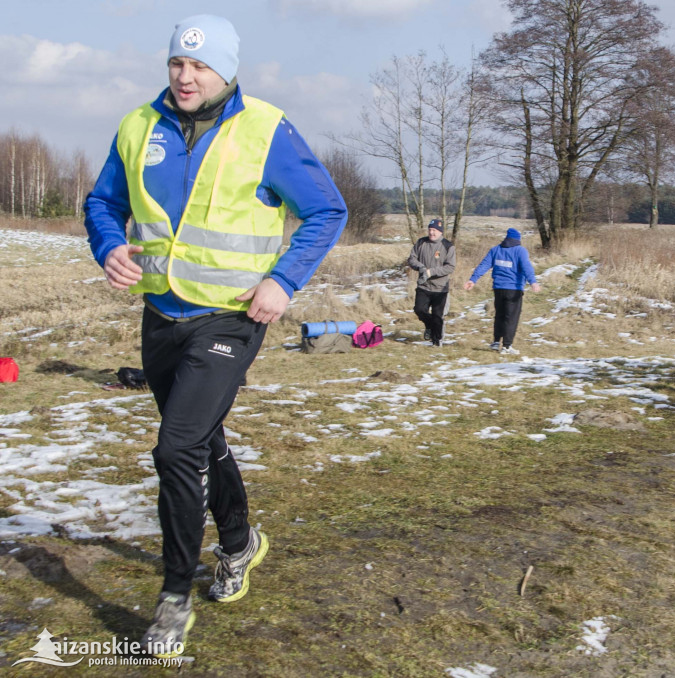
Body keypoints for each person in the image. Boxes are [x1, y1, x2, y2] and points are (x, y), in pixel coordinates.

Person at [83, 15, 347, 657]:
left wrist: (283, 281)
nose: (185, 76)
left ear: (226, 69)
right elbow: (102, 203)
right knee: (202, 438)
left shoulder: (267, 128)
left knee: (175, 449)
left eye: (199, 66)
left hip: (232, 316)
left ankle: (173, 598)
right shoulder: (137, 126)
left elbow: (325, 209)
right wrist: (110, 245)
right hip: (161, 316)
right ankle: (239, 544)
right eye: (177, 63)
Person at [464, 228, 541, 355]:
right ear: (517, 239)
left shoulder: (495, 250)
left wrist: (473, 280)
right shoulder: (520, 250)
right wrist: (533, 282)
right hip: (514, 289)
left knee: (499, 315)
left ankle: (495, 342)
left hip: (498, 289)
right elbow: (527, 267)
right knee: (511, 317)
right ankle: (507, 346)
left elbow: (484, 265)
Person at [407, 218, 456, 346]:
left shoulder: (448, 246)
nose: (431, 233)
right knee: (419, 310)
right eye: (430, 230)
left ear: (440, 232)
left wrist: (431, 272)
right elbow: (412, 258)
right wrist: (421, 268)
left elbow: (450, 267)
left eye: (434, 230)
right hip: (423, 286)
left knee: (437, 317)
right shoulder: (421, 242)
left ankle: (436, 341)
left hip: (440, 288)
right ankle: (429, 326)